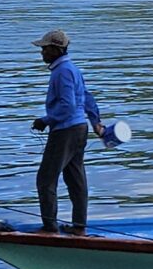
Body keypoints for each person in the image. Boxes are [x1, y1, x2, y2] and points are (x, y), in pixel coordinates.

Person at [31, 29, 107, 235]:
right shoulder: (72, 68)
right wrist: (95, 122)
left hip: (65, 131)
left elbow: (67, 106)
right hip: (79, 129)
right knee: (75, 178)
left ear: (56, 50)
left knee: (45, 179)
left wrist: (45, 120)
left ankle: (49, 228)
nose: (42, 53)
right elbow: (87, 97)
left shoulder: (62, 72)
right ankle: (79, 227)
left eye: (45, 49)